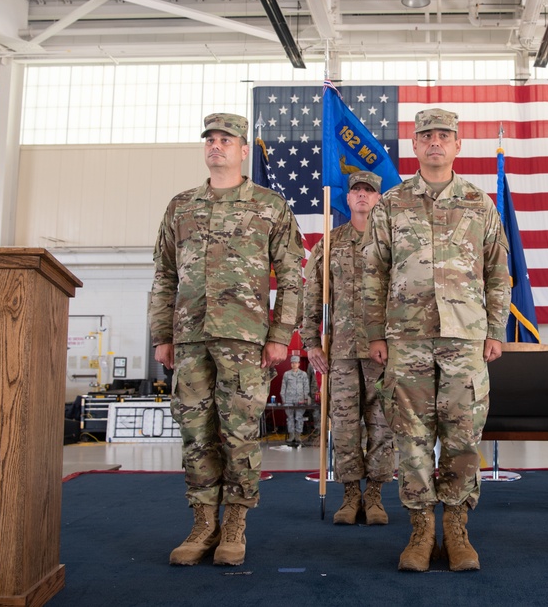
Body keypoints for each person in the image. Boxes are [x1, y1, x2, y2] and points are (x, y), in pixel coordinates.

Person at [150, 112, 305, 567]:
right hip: (190, 337)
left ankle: (235, 521)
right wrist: (162, 334)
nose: (216, 146)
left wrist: (280, 335)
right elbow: (163, 274)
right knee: (196, 434)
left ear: (242, 150)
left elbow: (292, 276)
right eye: (211, 140)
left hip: (245, 339)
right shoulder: (181, 206)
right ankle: (202, 523)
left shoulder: (269, 205)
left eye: (226, 140)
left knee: (238, 433)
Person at [363, 108, 510, 572]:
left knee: (464, 435)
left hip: (465, 337)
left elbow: (497, 271)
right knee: (410, 436)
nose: (435, 143)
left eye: (444, 136)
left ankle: (457, 528)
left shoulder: (478, 203)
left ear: (457, 145)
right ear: (414, 143)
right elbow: (373, 272)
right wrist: (373, 333)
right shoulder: (391, 203)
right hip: (405, 337)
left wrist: (495, 329)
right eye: (426, 135)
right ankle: (422, 528)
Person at [302, 171, 394, 526]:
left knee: (382, 425)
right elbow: (313, 296)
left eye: (369, 191)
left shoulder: (389, 242)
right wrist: (311, 343)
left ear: (378, 198)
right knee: (343, 425)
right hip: (339, 349)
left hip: (380, 348)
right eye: (356, 190)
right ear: (348, 197)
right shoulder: (330, 243)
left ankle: (375, 495)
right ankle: (351, 493)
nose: (361, 195)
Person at [280, 355, 310, 447]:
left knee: (299, 418)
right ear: (290, 364)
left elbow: (306, 387)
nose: (294, 364)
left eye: (296, 363)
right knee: (290, 418)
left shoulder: (303, 374)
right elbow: (283, 387)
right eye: (292, 363)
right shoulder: (286, 374)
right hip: (289, 399)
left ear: (299, 364)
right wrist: (283, 399)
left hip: (300, 399)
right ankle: (291, 436)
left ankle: (298, 436)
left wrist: (305, 398)